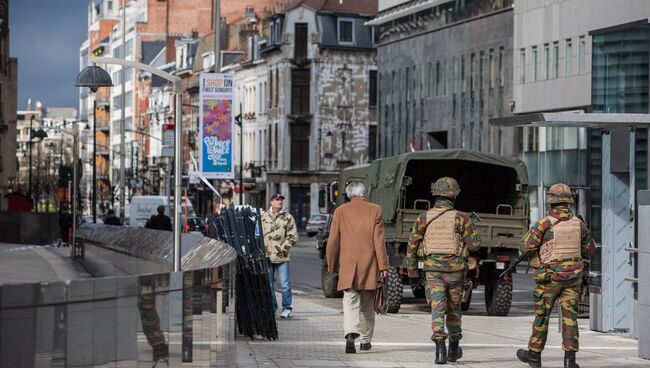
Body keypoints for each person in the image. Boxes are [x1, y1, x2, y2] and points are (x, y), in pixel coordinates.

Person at [516, 183, 595, 368]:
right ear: (569, 202)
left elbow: (525, 247)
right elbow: (590, 250)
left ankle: (534, 356)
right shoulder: (579, 224)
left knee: (542, 316)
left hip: (549, 279)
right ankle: (570, 361)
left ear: (550, 201)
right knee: (570, 318)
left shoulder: (545, 223)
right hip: (572, 280)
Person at [405, 177, 480, 364]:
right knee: (454, 309)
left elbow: (412, 247)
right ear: (454, 196)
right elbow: (476, 245)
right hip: (455, 272)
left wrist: (413, 274)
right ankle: (453, 350)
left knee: (437, 309)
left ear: (435, 196)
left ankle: (440, 350)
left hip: (433, 272)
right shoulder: (462, 218)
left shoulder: (424, 217)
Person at [326, 181, 388, 354]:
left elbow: (333, 241)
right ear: (364, 193)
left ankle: (350, 334)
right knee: (368, 304)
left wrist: (331, 264)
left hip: (348, 263)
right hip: (369, 263)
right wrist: (383, 265)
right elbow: (379, 241)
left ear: (348, 194)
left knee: (350, 300)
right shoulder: (376, 209)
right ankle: (366, 341)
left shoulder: (340, 211)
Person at [261, 193, 298, 318]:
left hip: (282, 257)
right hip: (267, 256)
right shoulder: (263, 217)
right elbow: (258, 235)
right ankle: (272, 307)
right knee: (269, 284)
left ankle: (287, 308)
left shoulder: (288, 217)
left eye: (281, 200)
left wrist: (283, 249)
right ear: (271, 202)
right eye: (277, 200)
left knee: (285, 285)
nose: (280, 202)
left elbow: (293, 236)